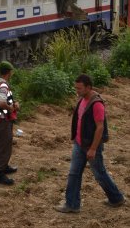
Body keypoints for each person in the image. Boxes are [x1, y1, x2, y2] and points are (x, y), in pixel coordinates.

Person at [55, 74, 126, 213]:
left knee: (99, 173)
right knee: (74, 173)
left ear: (88, 87)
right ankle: (72, 204)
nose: (77, 91)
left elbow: (100, 128)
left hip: (91, 146)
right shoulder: (82, 99)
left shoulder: (96, 104)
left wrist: (93, 148)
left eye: (79, 88)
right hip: (79, 144)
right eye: (76, 88)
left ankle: (116, 198)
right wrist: (75, 137)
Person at [0, 60, 20, 185]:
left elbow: (1, 101)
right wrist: (12, 108)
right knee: (3, 145)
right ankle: (0, 174)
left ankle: (4, 166)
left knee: (4, 144)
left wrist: (12, 103)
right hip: (2, 120)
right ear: (9, 72)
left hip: (0, 119)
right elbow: (1, 103)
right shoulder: (3, 86)